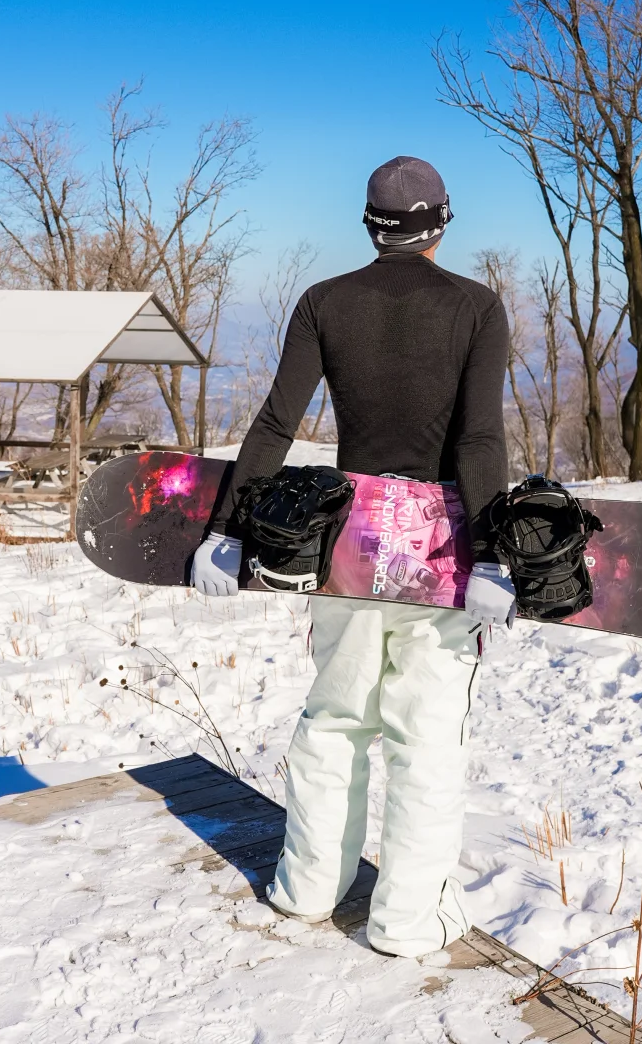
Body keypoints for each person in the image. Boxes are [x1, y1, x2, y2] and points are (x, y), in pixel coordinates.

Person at [191, 156, 516, 959]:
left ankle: (307, 888)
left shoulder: (324, 302)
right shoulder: (476, 308)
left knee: (335, 719)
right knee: (426, 737)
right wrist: (494, 553)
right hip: (441, 549)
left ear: (371, 226)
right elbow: (479, 438)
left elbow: (276, 422)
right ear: (442, 221)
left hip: (347, 544)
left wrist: (226, 528)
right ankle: (407, 921)